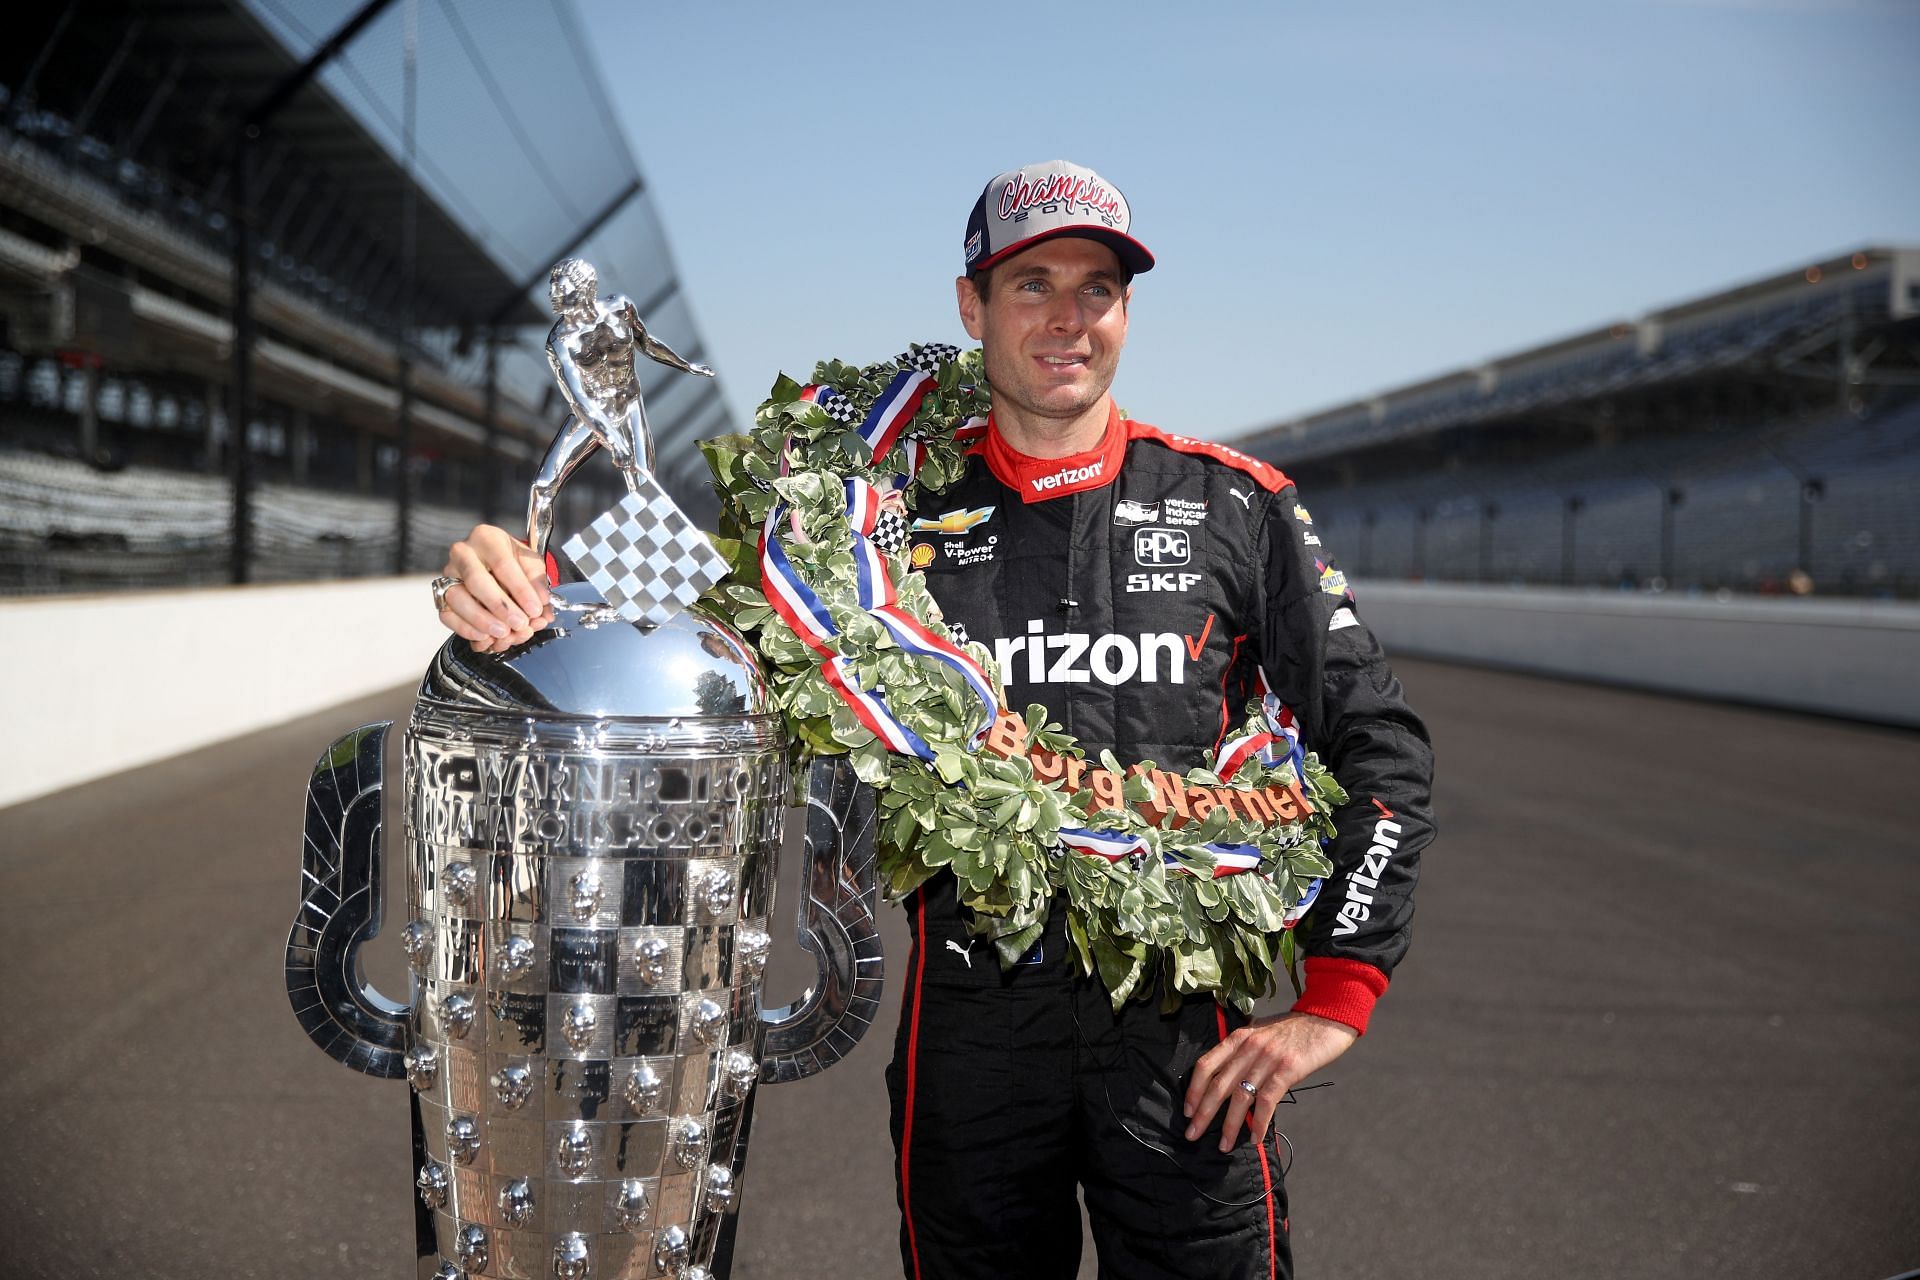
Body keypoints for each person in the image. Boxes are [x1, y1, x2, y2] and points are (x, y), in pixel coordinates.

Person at [433, 160, 1434, 1280]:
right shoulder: (869, 521)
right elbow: (680, 617)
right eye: (1032, 284)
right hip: (971, 1031)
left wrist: (1339, 992)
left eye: (1097, 287)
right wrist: (516, 584)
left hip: (1184, 1041)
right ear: (972, 307)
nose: (1069, 317)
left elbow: (1381, 742)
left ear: (1128, 308)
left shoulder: (1235, 504)